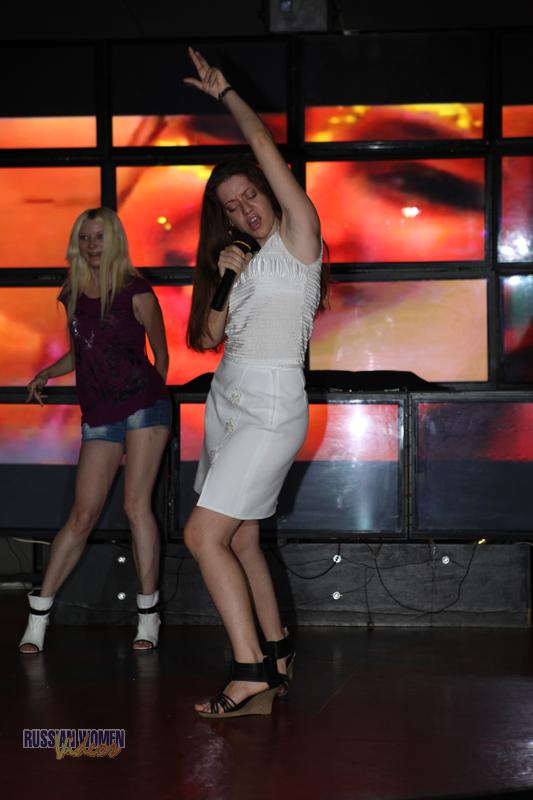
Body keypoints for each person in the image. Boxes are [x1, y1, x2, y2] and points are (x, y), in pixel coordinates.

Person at [183, 48, 327, 718]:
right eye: (231, 207)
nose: (245, 210)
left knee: (202, 535)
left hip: (271, 403)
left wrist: (226, 95)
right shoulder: (237, 259)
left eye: (250, 195)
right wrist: (226, 276)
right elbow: (206, 340)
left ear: (270, 191)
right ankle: (275, 651)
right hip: (226, 401)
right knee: (238, 536)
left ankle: (249, 673)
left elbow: (264, 145)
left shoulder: (301, 241)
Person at [19, 207, 171, 654]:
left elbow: (161, 356)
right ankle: (39, 615)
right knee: (82, 515)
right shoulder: (71, 293)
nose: (91, 245)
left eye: (99, 237)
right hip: (100, 413)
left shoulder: (136, 291)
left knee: (136, 506)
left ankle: (148, 614)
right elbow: (83, 351)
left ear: (115, 240)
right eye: (84, 237)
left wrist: (148, 401)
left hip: (144, 407)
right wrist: (48, 372)